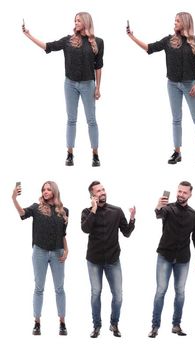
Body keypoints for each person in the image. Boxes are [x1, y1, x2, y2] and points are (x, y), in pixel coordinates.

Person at [127, 12, 195, 167]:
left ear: (185, 23)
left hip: (190, 84)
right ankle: (177, 152)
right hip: (172, 84)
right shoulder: (169, 41)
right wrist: (132, 37)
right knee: (176, 119)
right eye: (175, 21)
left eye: (177, 21)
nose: (175, 23)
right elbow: (149, 48)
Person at [23, 12, 104, 167]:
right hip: (70, 85)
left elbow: (98, 67)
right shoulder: (68, 40)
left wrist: (98, 87)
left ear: (86, 22)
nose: (76, 22)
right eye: (75, 20)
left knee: (91, 120)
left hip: (88, 85)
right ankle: (70, 154)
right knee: (71, 120)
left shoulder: (98, 42)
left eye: (79, 20)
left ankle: (95, 155)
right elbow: (49, 46)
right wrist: (29, 35)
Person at [12, 181, 69, 336]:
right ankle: (37, 322)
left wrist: (67, 249)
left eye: (49, 189)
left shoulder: (64, 211)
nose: (45, 191)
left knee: (59, 288)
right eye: (44, 189)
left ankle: (62, 322)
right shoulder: (37, 208)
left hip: (58, 252)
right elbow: (22, 213)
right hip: (40, 252)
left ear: (55, 191)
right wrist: (14, 199)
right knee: (39, 288)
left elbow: (63, 234)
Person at [148, 181, 195, 338]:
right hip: (165, 256)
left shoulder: (194, 215)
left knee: (180, 292)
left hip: (183, 259)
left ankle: (176, 325)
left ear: (190, 194)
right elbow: (158, 214)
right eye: (179, 191)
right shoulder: (168, 208)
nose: (181, 194)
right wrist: (158, 206)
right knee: (160, 291)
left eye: (184, 192)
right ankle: (155, 326)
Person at [81, 181, 136, 338]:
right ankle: (97, 326)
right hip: (94, 260)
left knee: (118, 295)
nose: (102, 192)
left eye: (103, 189)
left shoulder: (116, 211)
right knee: (96, 293)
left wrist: (132, 219)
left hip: (113, 260)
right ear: (92, 196)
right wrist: (94, 209)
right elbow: (85, 229)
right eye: (98, 191)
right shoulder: (86, 211)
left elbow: (126, 232)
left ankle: (114, 324)